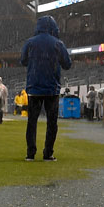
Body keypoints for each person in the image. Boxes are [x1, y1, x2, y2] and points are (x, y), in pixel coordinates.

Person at [20, 15, 72, 161]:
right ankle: (48, 153)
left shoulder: (30, 42)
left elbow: (23, 61)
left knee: (32, 122)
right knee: (52, 123)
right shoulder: (58, 43)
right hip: (51, 89)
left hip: (34, 88)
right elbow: (67, 64)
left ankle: (30, 153)